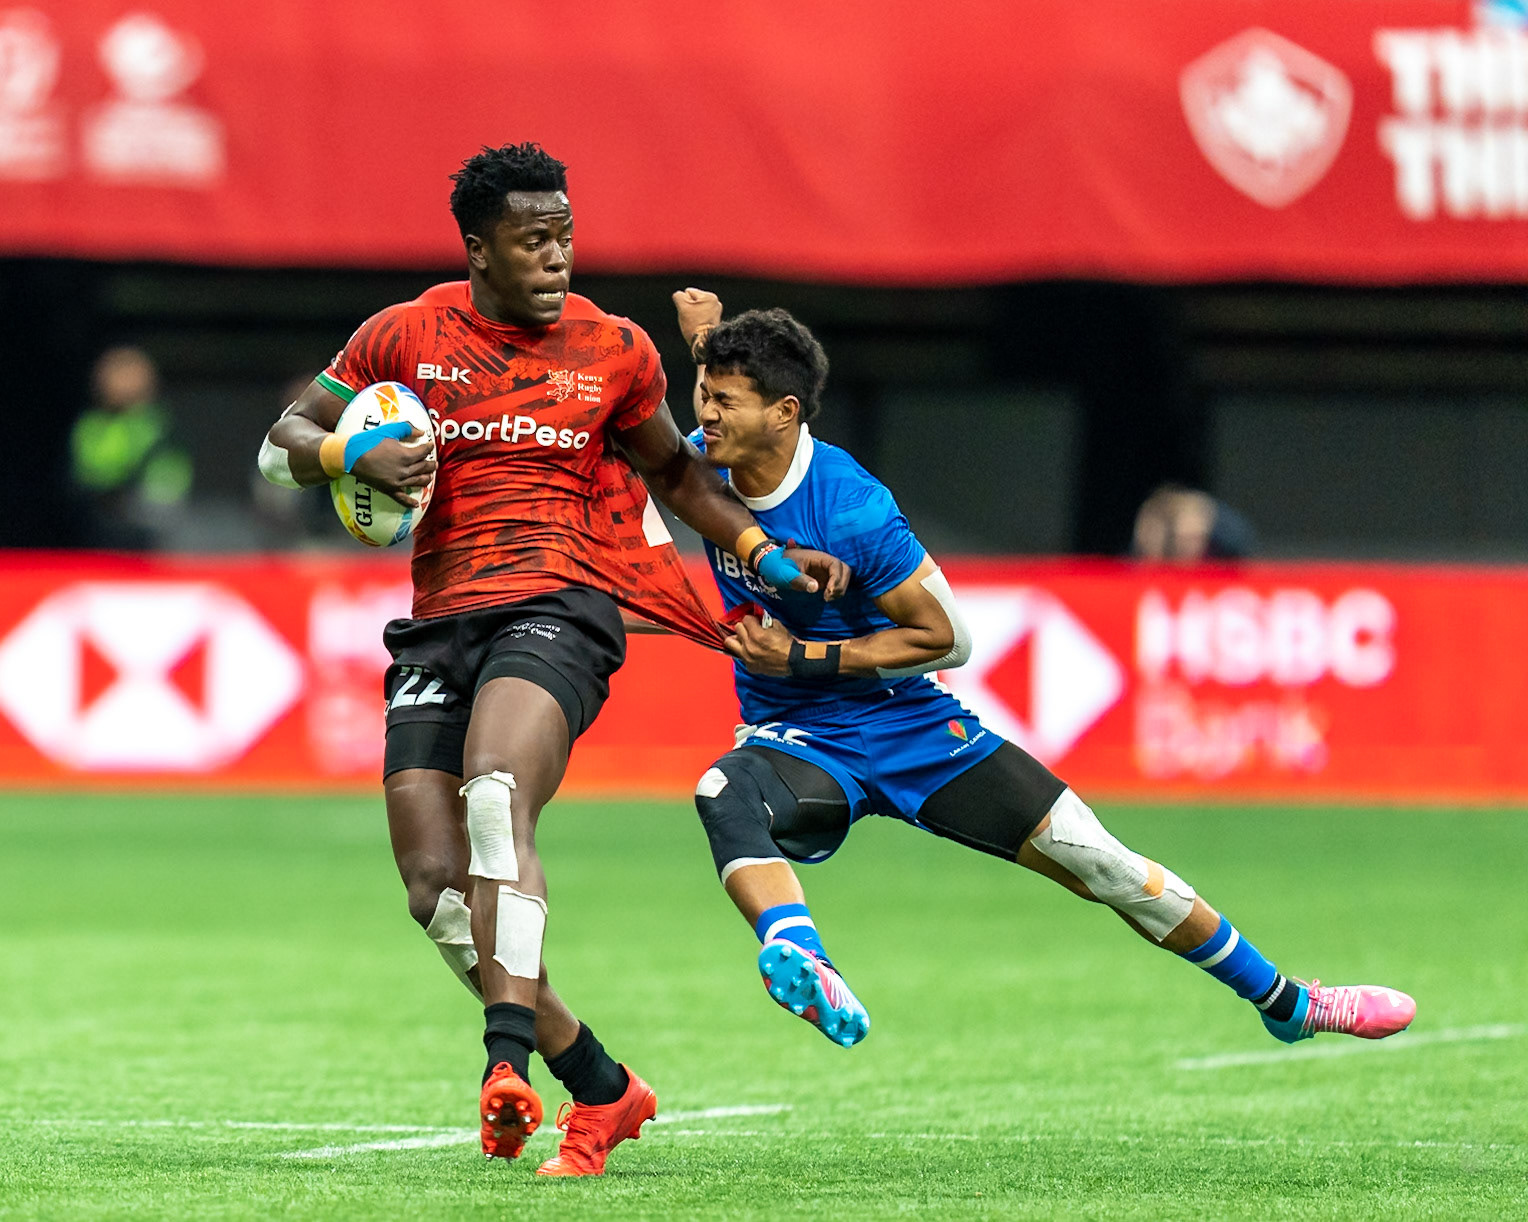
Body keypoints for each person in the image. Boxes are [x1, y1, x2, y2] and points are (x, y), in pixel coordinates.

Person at [256, 145, 847, 1178]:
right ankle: (604, 1085)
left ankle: (504, 1064)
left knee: (495, 794)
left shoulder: (614, 351)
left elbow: (674, 471)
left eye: (566, 235)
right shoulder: (405, 334)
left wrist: (756, 549)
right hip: (442, 619)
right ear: (479, 248)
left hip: (562, 605)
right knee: (434, 887)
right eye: (534, 239)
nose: (558, 256)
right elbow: (278, 445)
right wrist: (348, 454)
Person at [671, 289, 1415, 1055]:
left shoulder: (852, 507)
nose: (707, 416)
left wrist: (803, 656)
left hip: (910, 725)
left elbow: (948, 638)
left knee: (1104, 865)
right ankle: (805, 961)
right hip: (800, 738)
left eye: (724, 401)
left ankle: (1287, 1002)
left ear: (786, 413)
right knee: (723, 789)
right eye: (705, 396)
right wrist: (704, 345)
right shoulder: (699, 459)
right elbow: (687, 426)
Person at [70, 345, 193, 549]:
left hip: (156, 525)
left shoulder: (159, 424)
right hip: (105, 523)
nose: (125, 382)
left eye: (132, 374)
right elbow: (91, 474)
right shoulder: (91, 425)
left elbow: (173, 480)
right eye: (117, 374)